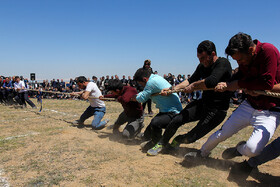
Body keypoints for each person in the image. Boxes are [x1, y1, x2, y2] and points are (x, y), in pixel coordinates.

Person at [189, 33, 280, 159]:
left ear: (251, 50)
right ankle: (202, 153)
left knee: (252, 149)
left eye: (240, 60)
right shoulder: (245, 58)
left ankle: (239, 149)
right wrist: (227, 83)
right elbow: (240, 74)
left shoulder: (268, 51)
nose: (239, 63)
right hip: (250, 104)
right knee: (221, 134)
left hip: (270, 110)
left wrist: (238, 84)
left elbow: (267, 83)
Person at [147, 40, 232, 156]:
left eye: (202, 58)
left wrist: (193, 86)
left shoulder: (223, 63)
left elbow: (212, 81)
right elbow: (190, 80)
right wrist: (172, 89)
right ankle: (162, 143)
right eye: (199, 58)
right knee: (176, 120)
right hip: (203, 103)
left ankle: (178, 140)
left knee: (191, 137)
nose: (201, 61)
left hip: (216, 110)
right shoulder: (202, 65)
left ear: (212, 54)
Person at [132, 68, 183, 151]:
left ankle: (160, 145)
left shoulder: (151, 83)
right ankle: (149, 139)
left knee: (155, 123)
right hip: (165, 111)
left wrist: (134, 98)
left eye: (141, 84)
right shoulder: (155, 78)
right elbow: (145, 93)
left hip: (173, 113)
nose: (142, 86)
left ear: (145, 79)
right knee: (148, 132)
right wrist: (138, 95)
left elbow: (142, 98)